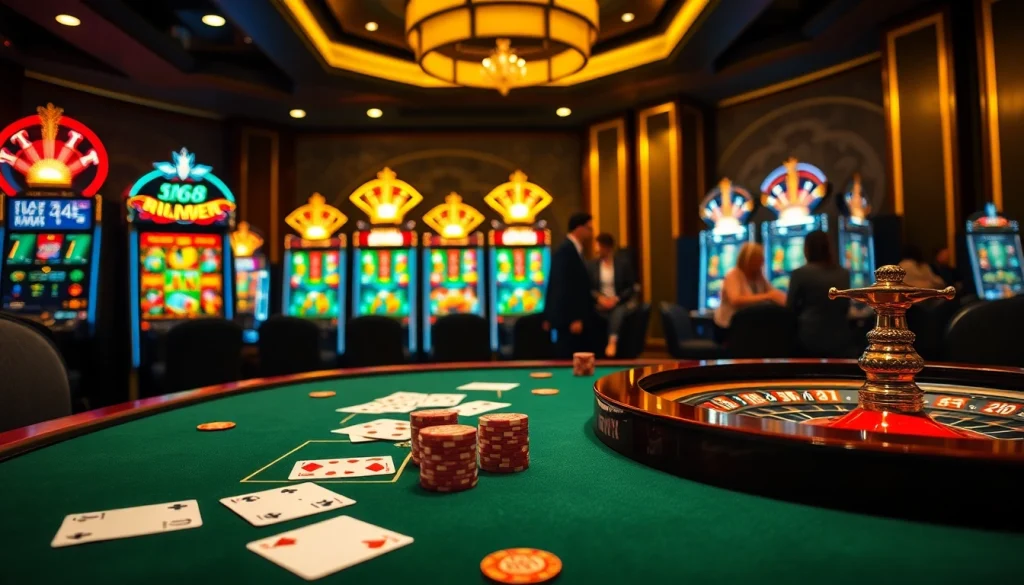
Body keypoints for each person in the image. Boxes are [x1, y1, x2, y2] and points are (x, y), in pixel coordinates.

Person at [787, 231, 855, 357]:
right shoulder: (843, 273)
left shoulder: (799, 273)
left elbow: (790, 309)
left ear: (807, 249)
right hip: (840, 338)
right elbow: (845, 307)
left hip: (808, 339)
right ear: (829, 247)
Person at [544, 212, 595, 357]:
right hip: (569, 321)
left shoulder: (574, 249)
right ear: (579, 228)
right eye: (589, 228)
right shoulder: (566, 251)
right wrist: (574, 318)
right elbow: (563, 287)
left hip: (574, 319)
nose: (590, 233)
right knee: (566, 357)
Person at [713, 242, 786, 342]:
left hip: (748, 326)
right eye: (759, 258)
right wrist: (767, 296)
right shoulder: (733, 275)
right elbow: (735, 300)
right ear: (749, 259)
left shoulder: (759, 277)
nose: (762, 261)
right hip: (728, 328)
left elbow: (774, 294)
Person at [587, 233, 637, 357]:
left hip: (618, 302)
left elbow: (631, 287)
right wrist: (599, 298)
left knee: (617, 312)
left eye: (600, 246)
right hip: (600, 303)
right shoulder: (592, 266)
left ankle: (612, 342)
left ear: (608, 248)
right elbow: (589, 288)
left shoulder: (622, 264)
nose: (597, 249)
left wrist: (616, 299)